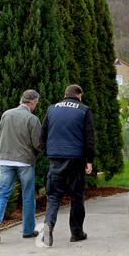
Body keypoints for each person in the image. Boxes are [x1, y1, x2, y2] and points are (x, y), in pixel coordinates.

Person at [39, 84, 95, 247]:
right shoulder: (84, 110)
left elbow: (42, 135)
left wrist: (48, 153)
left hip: (56, 158)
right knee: (77, 196)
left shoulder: (51, 109)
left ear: (65, 95)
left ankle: (49, 225)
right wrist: (89, 160)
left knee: (53, 195)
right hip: (76, 159)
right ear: (79, 96)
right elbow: (89, 138)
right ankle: (76, 233)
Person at [0, 90, 41, 243]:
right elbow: (37, 143)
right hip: (24, 162)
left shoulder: (6, 114)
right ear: (32, 102)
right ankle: (27, 230)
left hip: (5, 160)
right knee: (27, 196)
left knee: (3, 193)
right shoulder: (32, 119)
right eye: (36, 103)